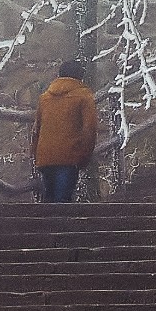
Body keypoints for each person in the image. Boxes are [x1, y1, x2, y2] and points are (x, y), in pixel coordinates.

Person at [29, 59, 97, 203]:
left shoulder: (45, 97)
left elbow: (36, 130)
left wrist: (36, 155)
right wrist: (84, 157)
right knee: (63, 202)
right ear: (80, 76)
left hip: (45, 156)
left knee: (49, 200)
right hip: (69, 156)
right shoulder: (84, 96)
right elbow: (89, 129)